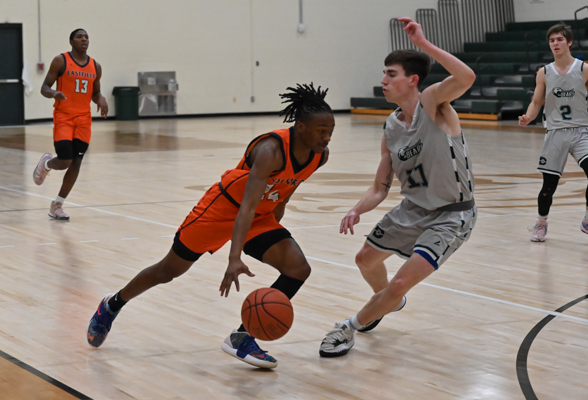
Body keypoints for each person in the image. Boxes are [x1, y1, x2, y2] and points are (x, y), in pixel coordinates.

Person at [86, 83, 334, 369]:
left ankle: (242, 336)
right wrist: (234, 258)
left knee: (298, 268)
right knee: (167, 271)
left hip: (258, 217)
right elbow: (246, 207)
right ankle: (112, 304)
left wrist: (274, 227)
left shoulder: (319, 156)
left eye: (330, 131)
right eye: (320, 130)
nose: (327, 137)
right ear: (300, 126)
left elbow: (286, 188)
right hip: (221, 210)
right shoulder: (271, 150)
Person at [319, 17, 477, 357]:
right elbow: (380, 186)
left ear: (412, 80)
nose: (383, 80)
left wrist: (424, 45)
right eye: (384, 73)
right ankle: (390, 301)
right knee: (365, 260)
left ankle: (348, 328)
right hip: (412, 209)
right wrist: (356, 209)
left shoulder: (434, 103)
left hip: (451, 215)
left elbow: (466, 77)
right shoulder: (390, 127)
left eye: (391, 74)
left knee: (401, 281)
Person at [519, 22, 588, 241]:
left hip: (581, 131)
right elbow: (536, 101)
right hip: (555, 132)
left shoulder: (584, 69)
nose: (555, 43)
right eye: (551, 40)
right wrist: (529, 116)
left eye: (559, 39)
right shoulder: (544, 72)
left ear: (569, 42)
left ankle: (587, 217)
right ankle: (541, 223)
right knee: (549, 185)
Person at [32, 28, 108, 220]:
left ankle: (57, 204)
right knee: (65, 160)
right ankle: (47, 164)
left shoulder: (95, 66)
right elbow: (44, 87)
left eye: (86, 37)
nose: (84, 39)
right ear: (71, 42)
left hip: (83, 120)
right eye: (79, 37)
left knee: (77, 162)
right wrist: (54, 93)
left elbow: (95, 92)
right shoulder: (61, 61)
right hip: (64, 117)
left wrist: (100, 99)